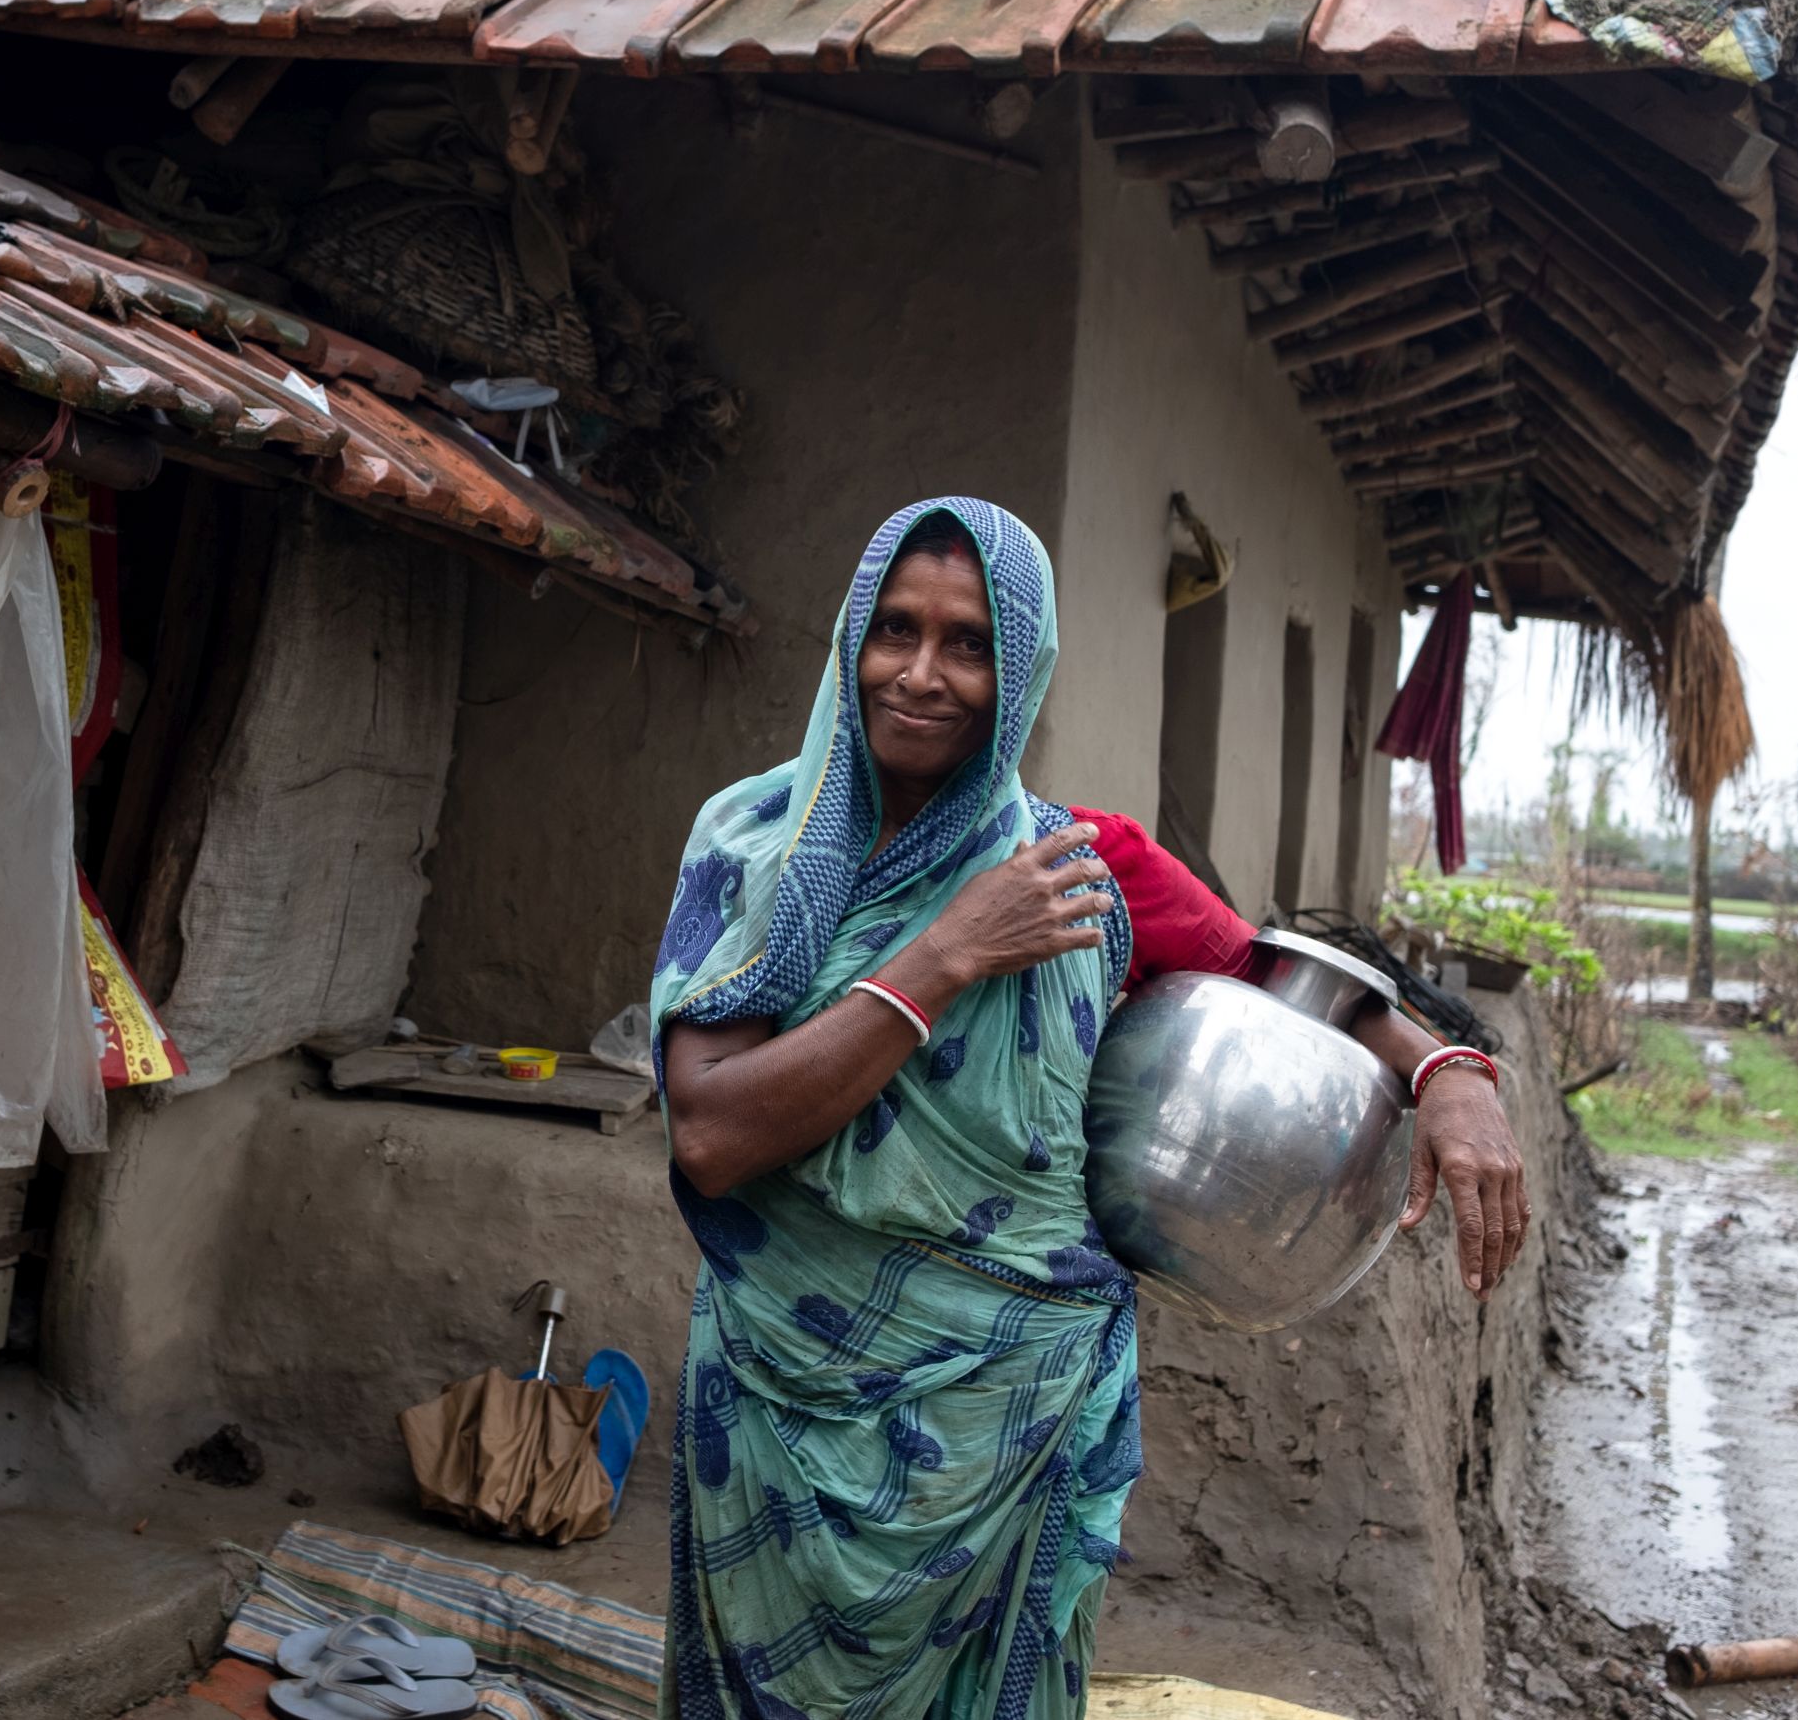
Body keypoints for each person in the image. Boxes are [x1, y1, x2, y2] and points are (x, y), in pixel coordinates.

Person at [651, 499, 1527, 1719]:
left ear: (1022, 669)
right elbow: (710, 1133)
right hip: (783, 1409)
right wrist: (944, 955)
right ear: (850, 637)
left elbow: (1281, 981)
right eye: (894, 629)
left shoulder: (1082, 866)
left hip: (1014, 1422)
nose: (921, 674)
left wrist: (1450, 1074)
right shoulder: (755, 846)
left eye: (970, 644)